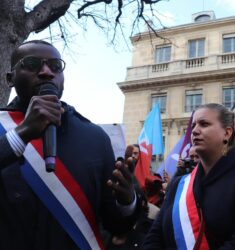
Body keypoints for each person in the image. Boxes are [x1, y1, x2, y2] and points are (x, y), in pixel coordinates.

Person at [0, 40, 140, 249]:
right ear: (10, 78)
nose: (46, 72)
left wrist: (127, 201)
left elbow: (116, 226)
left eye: (55, 66)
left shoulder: (95, 137)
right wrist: (21, 134)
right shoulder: (4, 127)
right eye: (32, 64)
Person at [143, 103, 235, 249]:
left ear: (227, 133)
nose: (195, 131)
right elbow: (155, 235)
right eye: (193, 126)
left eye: (204, 124)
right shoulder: (179, 184)